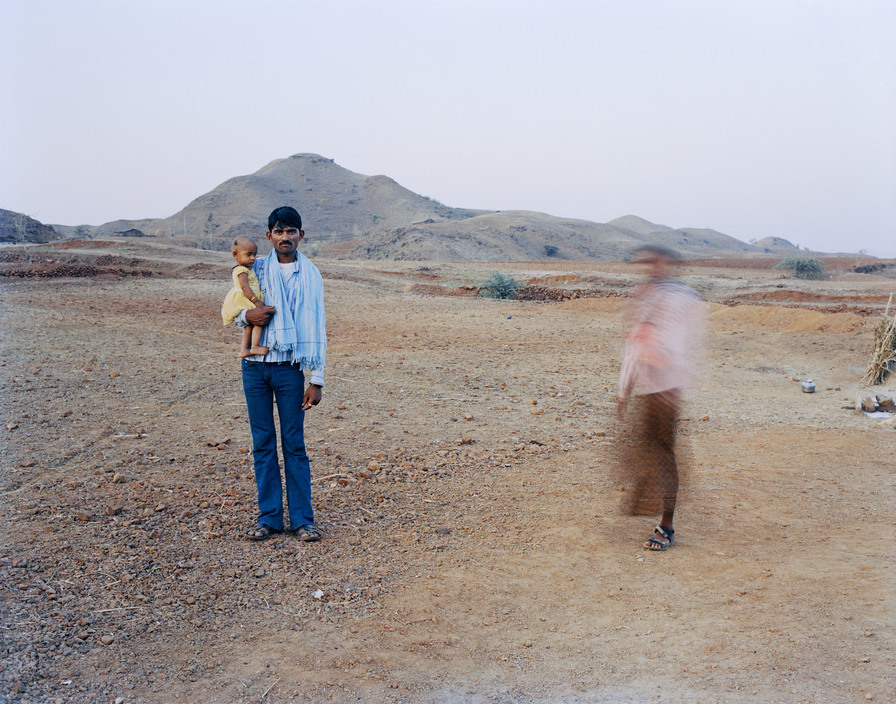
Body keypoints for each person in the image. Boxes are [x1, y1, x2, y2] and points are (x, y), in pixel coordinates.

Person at [234, 206, 326, 542]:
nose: (284, 237)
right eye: (278, 231)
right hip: (255, 371)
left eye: (291, 231)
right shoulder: (254, 270)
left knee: (294, 444)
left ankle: (303, 520)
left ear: (302, 235)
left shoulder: (312, 275)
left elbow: (318, 325)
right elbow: (231, 312)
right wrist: (249, 315)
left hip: (289, 371)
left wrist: (315, 379)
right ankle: (268, 518)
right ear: (269, 235)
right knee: (263, 444)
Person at [616, 245, 706, 551]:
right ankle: (647, 503)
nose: (650, 266)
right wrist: (624, 386)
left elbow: (678, 346)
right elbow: (635, 341)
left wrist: (665, 377)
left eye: (656, 261)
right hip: (647, 387)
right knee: (645, 451)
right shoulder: (647, 295)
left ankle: (666, 527)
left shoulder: (681, 299)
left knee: (664, 454)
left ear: (669, 263)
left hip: (666, 389)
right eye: (647, 262)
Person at [221, 236, 270, 358]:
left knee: (248, 327)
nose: (253, 258)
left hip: (247, 299)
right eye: (249, 255)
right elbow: (245, 287)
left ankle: (244, 350)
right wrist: (256, 301)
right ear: (235, 254)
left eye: (255, 254)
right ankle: (255, 346)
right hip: (246, 299)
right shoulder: (241, 270)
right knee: (258, 321)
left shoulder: (247, 268)